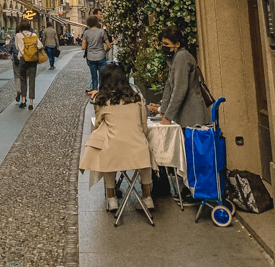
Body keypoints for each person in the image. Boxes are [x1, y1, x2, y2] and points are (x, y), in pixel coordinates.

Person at [80, 64, 155, 212]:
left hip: (114, 150)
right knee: (145, 154)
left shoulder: (102, 100)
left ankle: (112, 198)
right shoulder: (137, 97)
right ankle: (147, 197)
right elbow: (143, 124)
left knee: (107, 154)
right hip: (137, 149)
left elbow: (99, 122)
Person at [147, 26, 209, 128]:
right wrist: (164, 111)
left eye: (166, 44)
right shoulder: (175, 58)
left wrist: (168, 116)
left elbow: (179, 90)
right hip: (187, 115)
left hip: (192, 117)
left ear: (177, 44)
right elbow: (169, 86)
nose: (164, 46)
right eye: (162, 43)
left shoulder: (182, 57)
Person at [15, 22, 44, 110]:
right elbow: (40, 45)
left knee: (23, 79)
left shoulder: (18, 35)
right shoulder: (34, 34)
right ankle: (31, 103)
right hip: (33, 59)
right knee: (32, 80)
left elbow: (17, 47)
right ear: (29, 27)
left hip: (23, 59)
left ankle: (23, 101)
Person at [82, 16, 111, 94]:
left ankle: (94, 93)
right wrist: (105, 51)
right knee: (102, 77)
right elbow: (109, 46)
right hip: (101, 56)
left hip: (91, 57)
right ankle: (102, 93)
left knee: (94, 77)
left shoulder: (86, 32)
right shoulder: (102, 32)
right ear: (97, 22)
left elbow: (83, 47)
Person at [8, 31, 22, 103]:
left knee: (17, 76)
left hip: (16, 60)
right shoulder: (27, 36)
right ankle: (24, 95)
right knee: (24, 76)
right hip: (25, 60)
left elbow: (9, 49)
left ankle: (18, 90)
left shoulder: (13, 38)